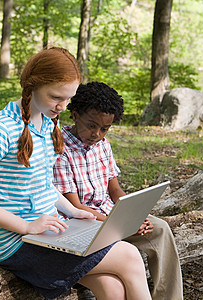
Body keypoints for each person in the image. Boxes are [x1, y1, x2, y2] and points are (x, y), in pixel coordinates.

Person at [0, 47, 152, 300]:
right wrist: (26, 226)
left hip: (52, 234)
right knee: (129, 256)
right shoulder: (1, 127)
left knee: (112, 287)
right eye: (55, 97)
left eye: (68, 99)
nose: (62, 106)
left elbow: (40, 184)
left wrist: (73, 211)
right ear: (32, 86)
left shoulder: (50, 123)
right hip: (19, 244)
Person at [53, 81, 183, 300]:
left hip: (110, 216)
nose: (97, 134)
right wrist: (122, 227)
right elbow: (75, 207)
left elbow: (115, 190)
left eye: (105, 128)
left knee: (160, 229)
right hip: (82, 222)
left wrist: (135, 217)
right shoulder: (60, 148)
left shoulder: (103, 145)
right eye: (91, 125)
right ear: (74, 115)